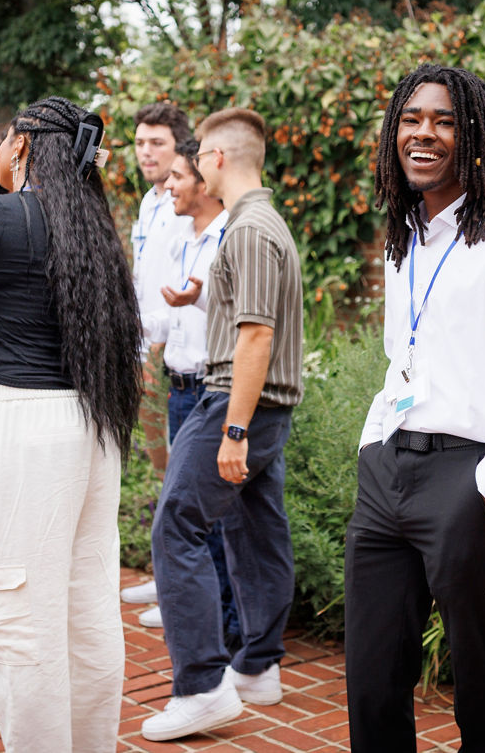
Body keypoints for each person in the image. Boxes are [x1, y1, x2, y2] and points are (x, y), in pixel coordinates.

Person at [344, 64, 485, 752]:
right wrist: (373, 446)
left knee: (479, 686)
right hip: (390, 474)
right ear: (395, 134)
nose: (425, 133)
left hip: (471, 481)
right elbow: (403, 360)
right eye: (412, 119)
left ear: (472, 136)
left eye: (444, 121)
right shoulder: (404, 240)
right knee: (373, 680)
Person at [0, 98, 141, 752]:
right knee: (86, 602)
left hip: (19, 423)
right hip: (92, 424)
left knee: (19, 611)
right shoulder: (99, 228)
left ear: (21, 147)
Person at [142, 108, 303, 743]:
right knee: (255, 529)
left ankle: (202, 687)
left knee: (176, 524)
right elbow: (253, 317)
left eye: (200, 154)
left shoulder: (249, 229)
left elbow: (258, 336)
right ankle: (257, 669)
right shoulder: (258, 226)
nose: (195, 164)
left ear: (218, 160)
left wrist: (233, 431)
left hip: (239, 405)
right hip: (258, 405)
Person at [128, 139, 240, 649]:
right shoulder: (183, 238)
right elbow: (170, 315)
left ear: (204, 182)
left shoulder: (227, 239)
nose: (168, 185)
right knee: (188, 509)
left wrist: (200, 301)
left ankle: (224, 627)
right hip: (179, 389)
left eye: (178, 176)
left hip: (212, 390)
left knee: (206, 514)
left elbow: (245, 320)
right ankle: (201, 612)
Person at [131, 102, 192, 475]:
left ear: (179, 146)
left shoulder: (184, 204)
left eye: (156, 142)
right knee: (160, 463)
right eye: (139, 143)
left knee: (180, 462)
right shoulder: (149, 201)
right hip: (144, 344)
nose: (146, 152)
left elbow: (185, 283)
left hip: (169, 350)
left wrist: (156, 351)